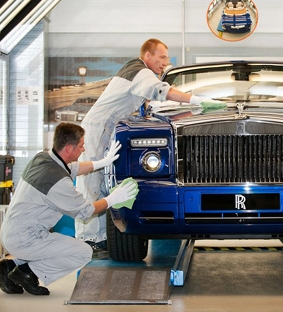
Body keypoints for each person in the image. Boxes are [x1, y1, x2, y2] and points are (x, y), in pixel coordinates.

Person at [74, 38, 224, 249]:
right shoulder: (140, 72)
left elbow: (155, 98)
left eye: (167, 58)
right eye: (162, 57)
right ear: (148, 56)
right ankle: (89, 240)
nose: (165, 62)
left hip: (105, 128)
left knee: (99, 184)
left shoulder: (136, 72)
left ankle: (99, 239)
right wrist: (195, 101)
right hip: (99, 128)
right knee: (92, 184)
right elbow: (161, 91)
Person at [0, 123, 138, 295]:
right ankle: (28, 273)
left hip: (11, 231)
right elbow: (86, 211)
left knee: (52, 246)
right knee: (83, 252)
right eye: (81, 145)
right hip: (25, 238)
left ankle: (8, 266)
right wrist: (113, 198)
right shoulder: (58, 182)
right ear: (69, 148)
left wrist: (103, 162)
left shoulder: (44, 158)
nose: (83, 149)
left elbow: (75, 168)